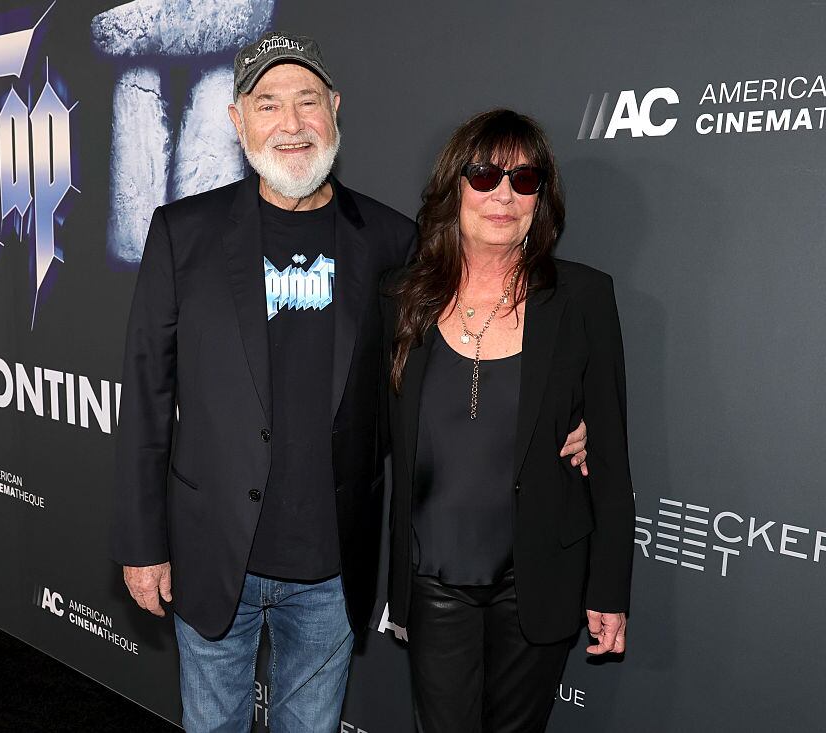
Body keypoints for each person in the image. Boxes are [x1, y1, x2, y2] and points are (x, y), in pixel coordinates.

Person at [112, 31, 589, 730]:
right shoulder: (184, 234)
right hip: (211, 550)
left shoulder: (392, 242)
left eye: (307, 100)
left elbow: (449, 374)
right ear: (238, 120)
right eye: (267, 104)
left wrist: (561, 422)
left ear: (334, 109)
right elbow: (145, 399)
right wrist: (141, 543)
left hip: (333, 565)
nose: (292, 123)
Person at [381, 109, 635, 733]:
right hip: (434, 579)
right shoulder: (402, 298)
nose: (503, 195)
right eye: (484, 175)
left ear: (540, 198)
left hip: (537, 579)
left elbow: (610, 458)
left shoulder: (583, 298)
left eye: (523, 179)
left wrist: (609, 591)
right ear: (455, 187)